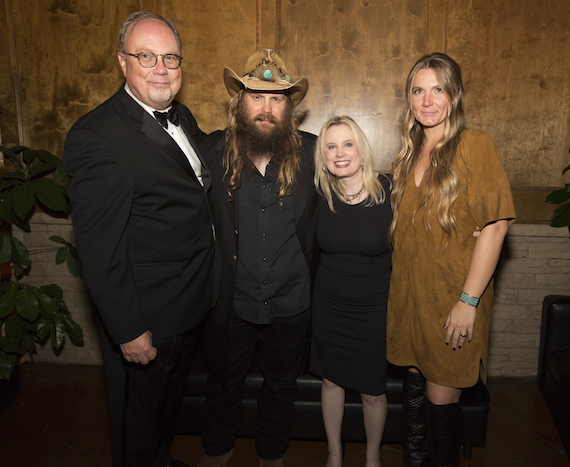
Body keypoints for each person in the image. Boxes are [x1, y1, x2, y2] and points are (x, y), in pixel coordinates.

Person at [63, 11, 214, 467]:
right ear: (121, 62)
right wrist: (128, 329)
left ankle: (161, 457)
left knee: (165, 411)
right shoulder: (97, 136)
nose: (161, 67)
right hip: (145, 314)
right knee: (136, 422)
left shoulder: (181, 116)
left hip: (187, 305)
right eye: (146, 56)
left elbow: (201, 168)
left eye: (170, 56)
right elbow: (98, 248)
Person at [387, 53, 516, 467]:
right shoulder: (407, 155)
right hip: (410, 301)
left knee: (442, 400)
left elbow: (495, 227)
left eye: (437, 89)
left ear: (454, 95)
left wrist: (469, 300)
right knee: (413, 391)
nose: (427, 100)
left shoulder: (475, 145)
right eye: (418, 90)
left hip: (452, 302)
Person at [197, 49, 318, 467]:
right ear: (240, 103)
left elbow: (367, 180)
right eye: (256, 96)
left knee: (281, 387)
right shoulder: (210, 153)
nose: (266, 108)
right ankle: (216, 453)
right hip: (233, 300)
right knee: (223, 383)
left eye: (277, 98)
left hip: (292, 301)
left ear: (289, 108)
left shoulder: (315, 155)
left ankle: (271, 457)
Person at [311, 116, 392, 467]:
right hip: (328, 306)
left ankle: (372, 458)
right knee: (331, 383)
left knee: (373, 392)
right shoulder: (319, 195)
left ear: (362, 149)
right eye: (331, 146)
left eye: (348, 144)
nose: (340, 153)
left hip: (375, 309)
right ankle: (335, 454)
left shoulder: (391, 190)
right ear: (323, 155)